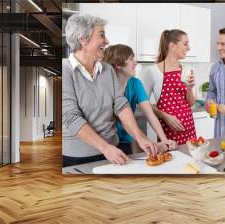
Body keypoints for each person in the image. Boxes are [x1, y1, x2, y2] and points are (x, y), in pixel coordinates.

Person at [62, 14, 156, 167]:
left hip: (113, 151)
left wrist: (140, 137)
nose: (107, 41)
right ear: (83, 39)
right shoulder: (65, 70)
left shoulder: (107, 69)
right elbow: (71, 117)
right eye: (102, 35)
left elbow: (120, 105)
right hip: (77, 157)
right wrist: (105, 147)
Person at [102, 44, 177, 152]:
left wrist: (164, 140)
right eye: (131, 59)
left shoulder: (136, 84)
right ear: (118, 64)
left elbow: (150, 115)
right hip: (107, 142)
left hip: (128, 139)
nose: (135, 63)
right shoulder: (104, 85)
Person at [140, 29, 197, 145]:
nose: (189, 48)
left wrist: (190, 88)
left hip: (189, 129)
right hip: (168, 133)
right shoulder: (152, 71)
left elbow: (190, 103)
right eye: (185, 44)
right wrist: (164, 116)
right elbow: (141, 103)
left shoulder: (186, 70)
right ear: (172, 46)